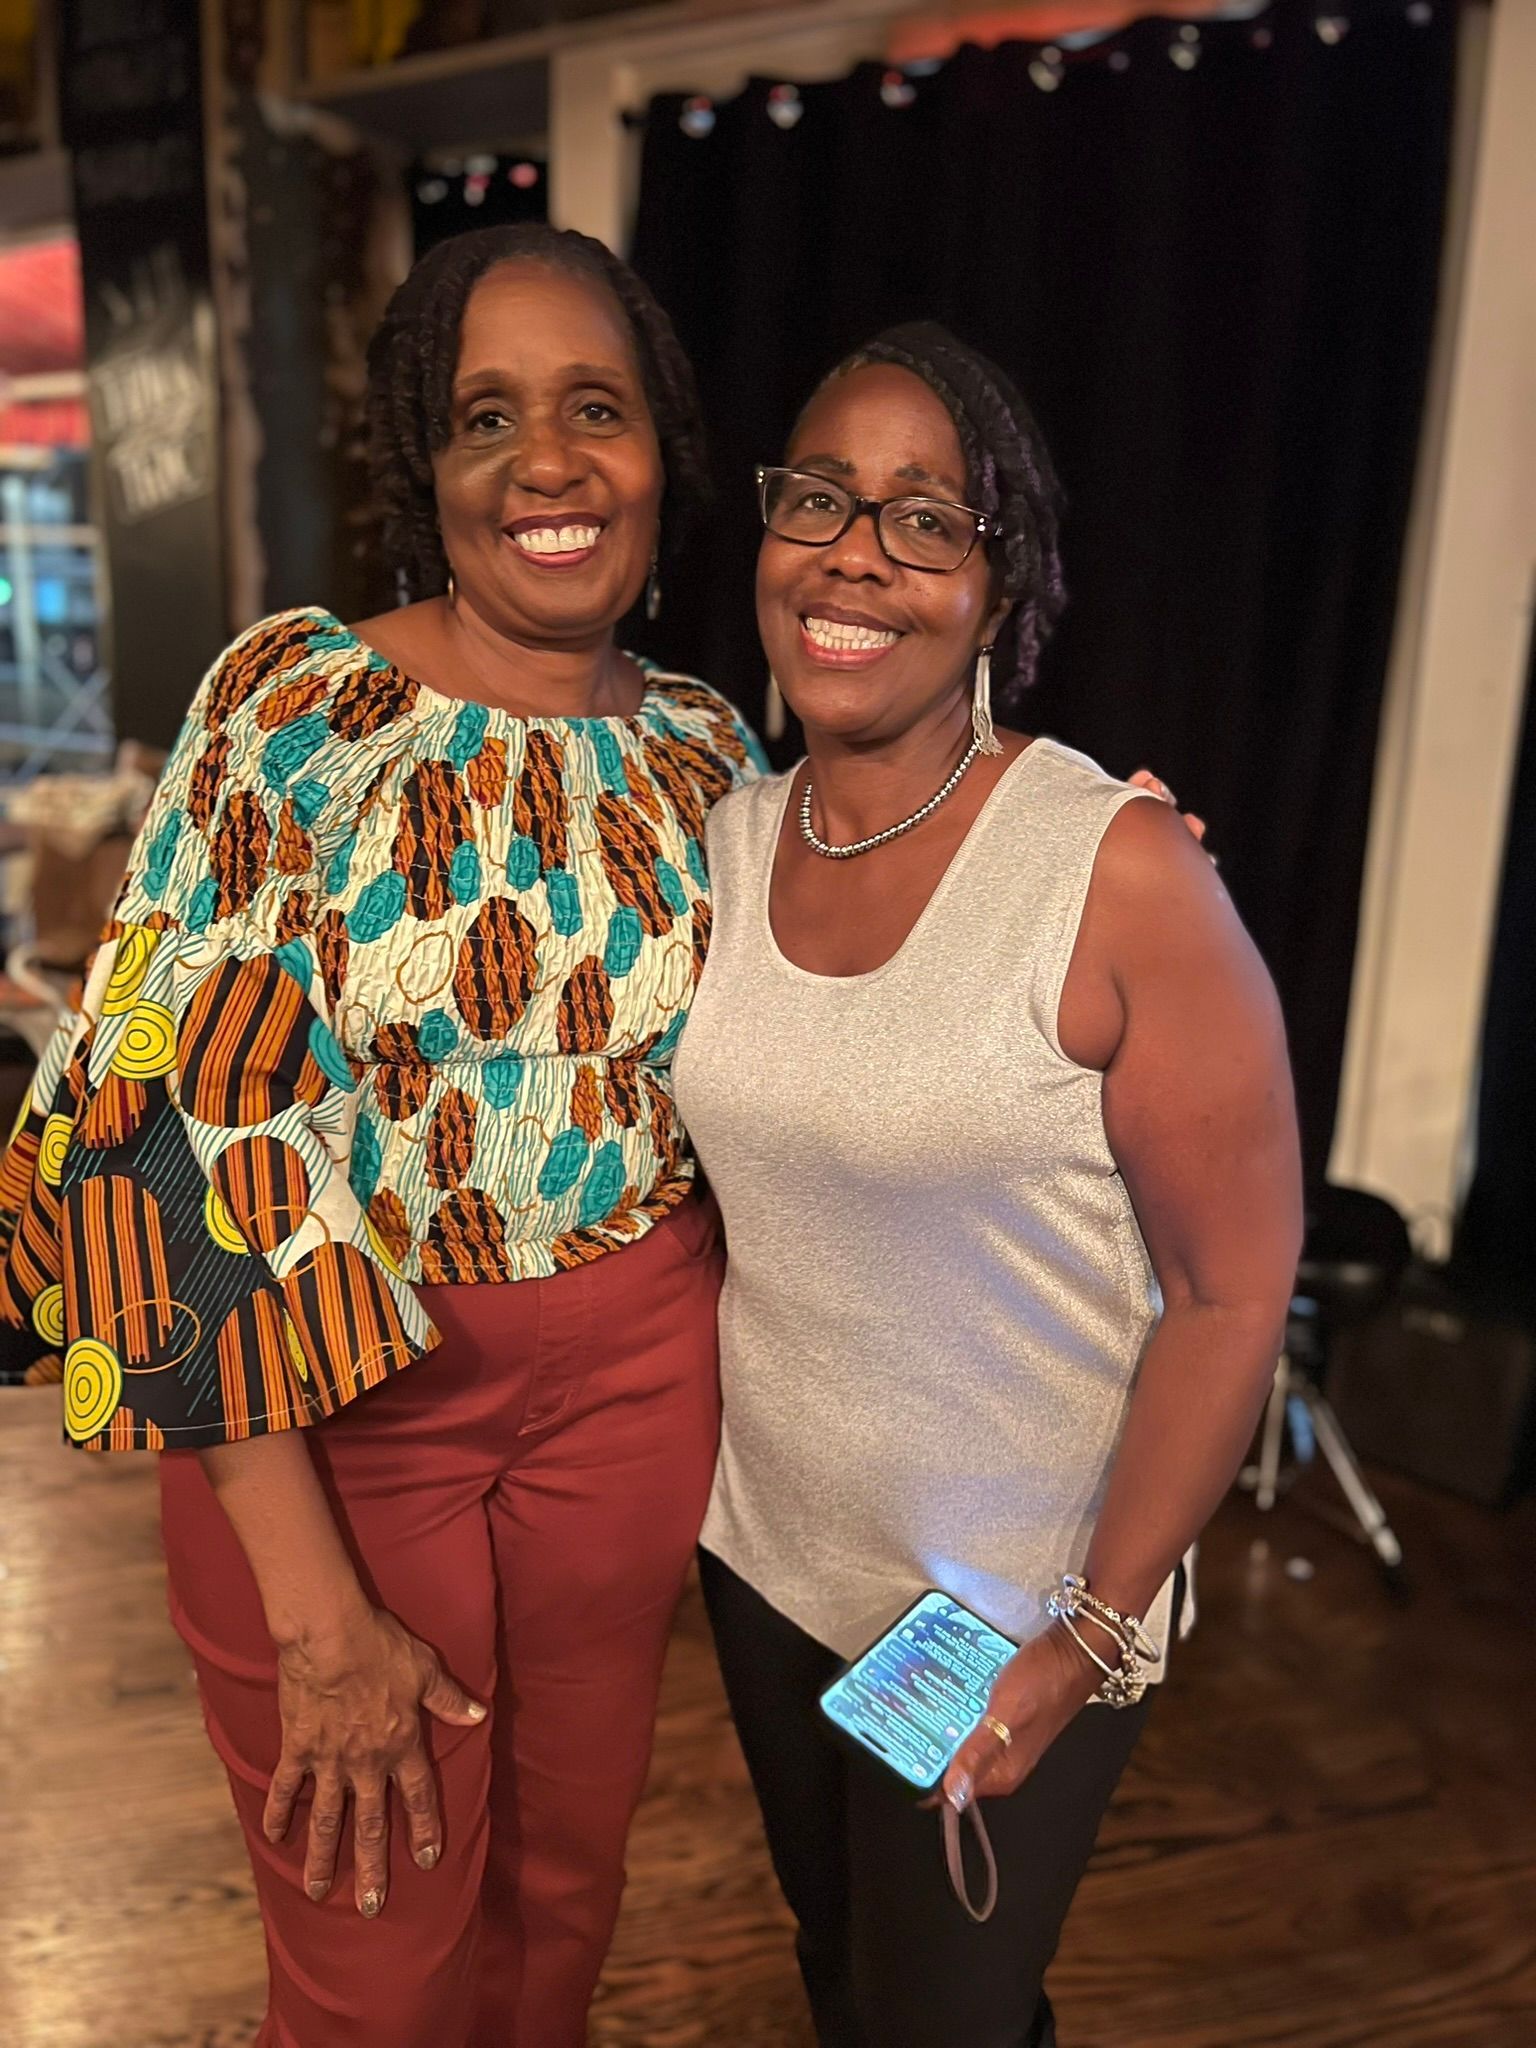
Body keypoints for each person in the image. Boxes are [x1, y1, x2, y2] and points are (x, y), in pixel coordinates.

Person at [0, 224, 766, 2048]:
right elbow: (155, 1135)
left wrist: (1094, 856)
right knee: (376, 1957)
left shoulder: (710, 751)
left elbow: (862, 989)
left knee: (560, 1902)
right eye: (485, 417)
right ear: (426, 463)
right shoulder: (296, 709)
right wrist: (316, 1615)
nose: (547, 461)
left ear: (662, 445)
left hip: (639, 1382)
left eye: (595, 408)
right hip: (338, 1397)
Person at [672, 322, 1303, 2048]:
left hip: (1010, 1598)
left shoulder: (1119, 873)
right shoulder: (726, 838)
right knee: (836, 1970)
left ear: (999, 581)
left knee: (940, 2022)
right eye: (820, 498)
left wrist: (1082, 1640)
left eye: (925, 518)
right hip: (768, 1558)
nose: (855, 553)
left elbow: (1235, 1289)